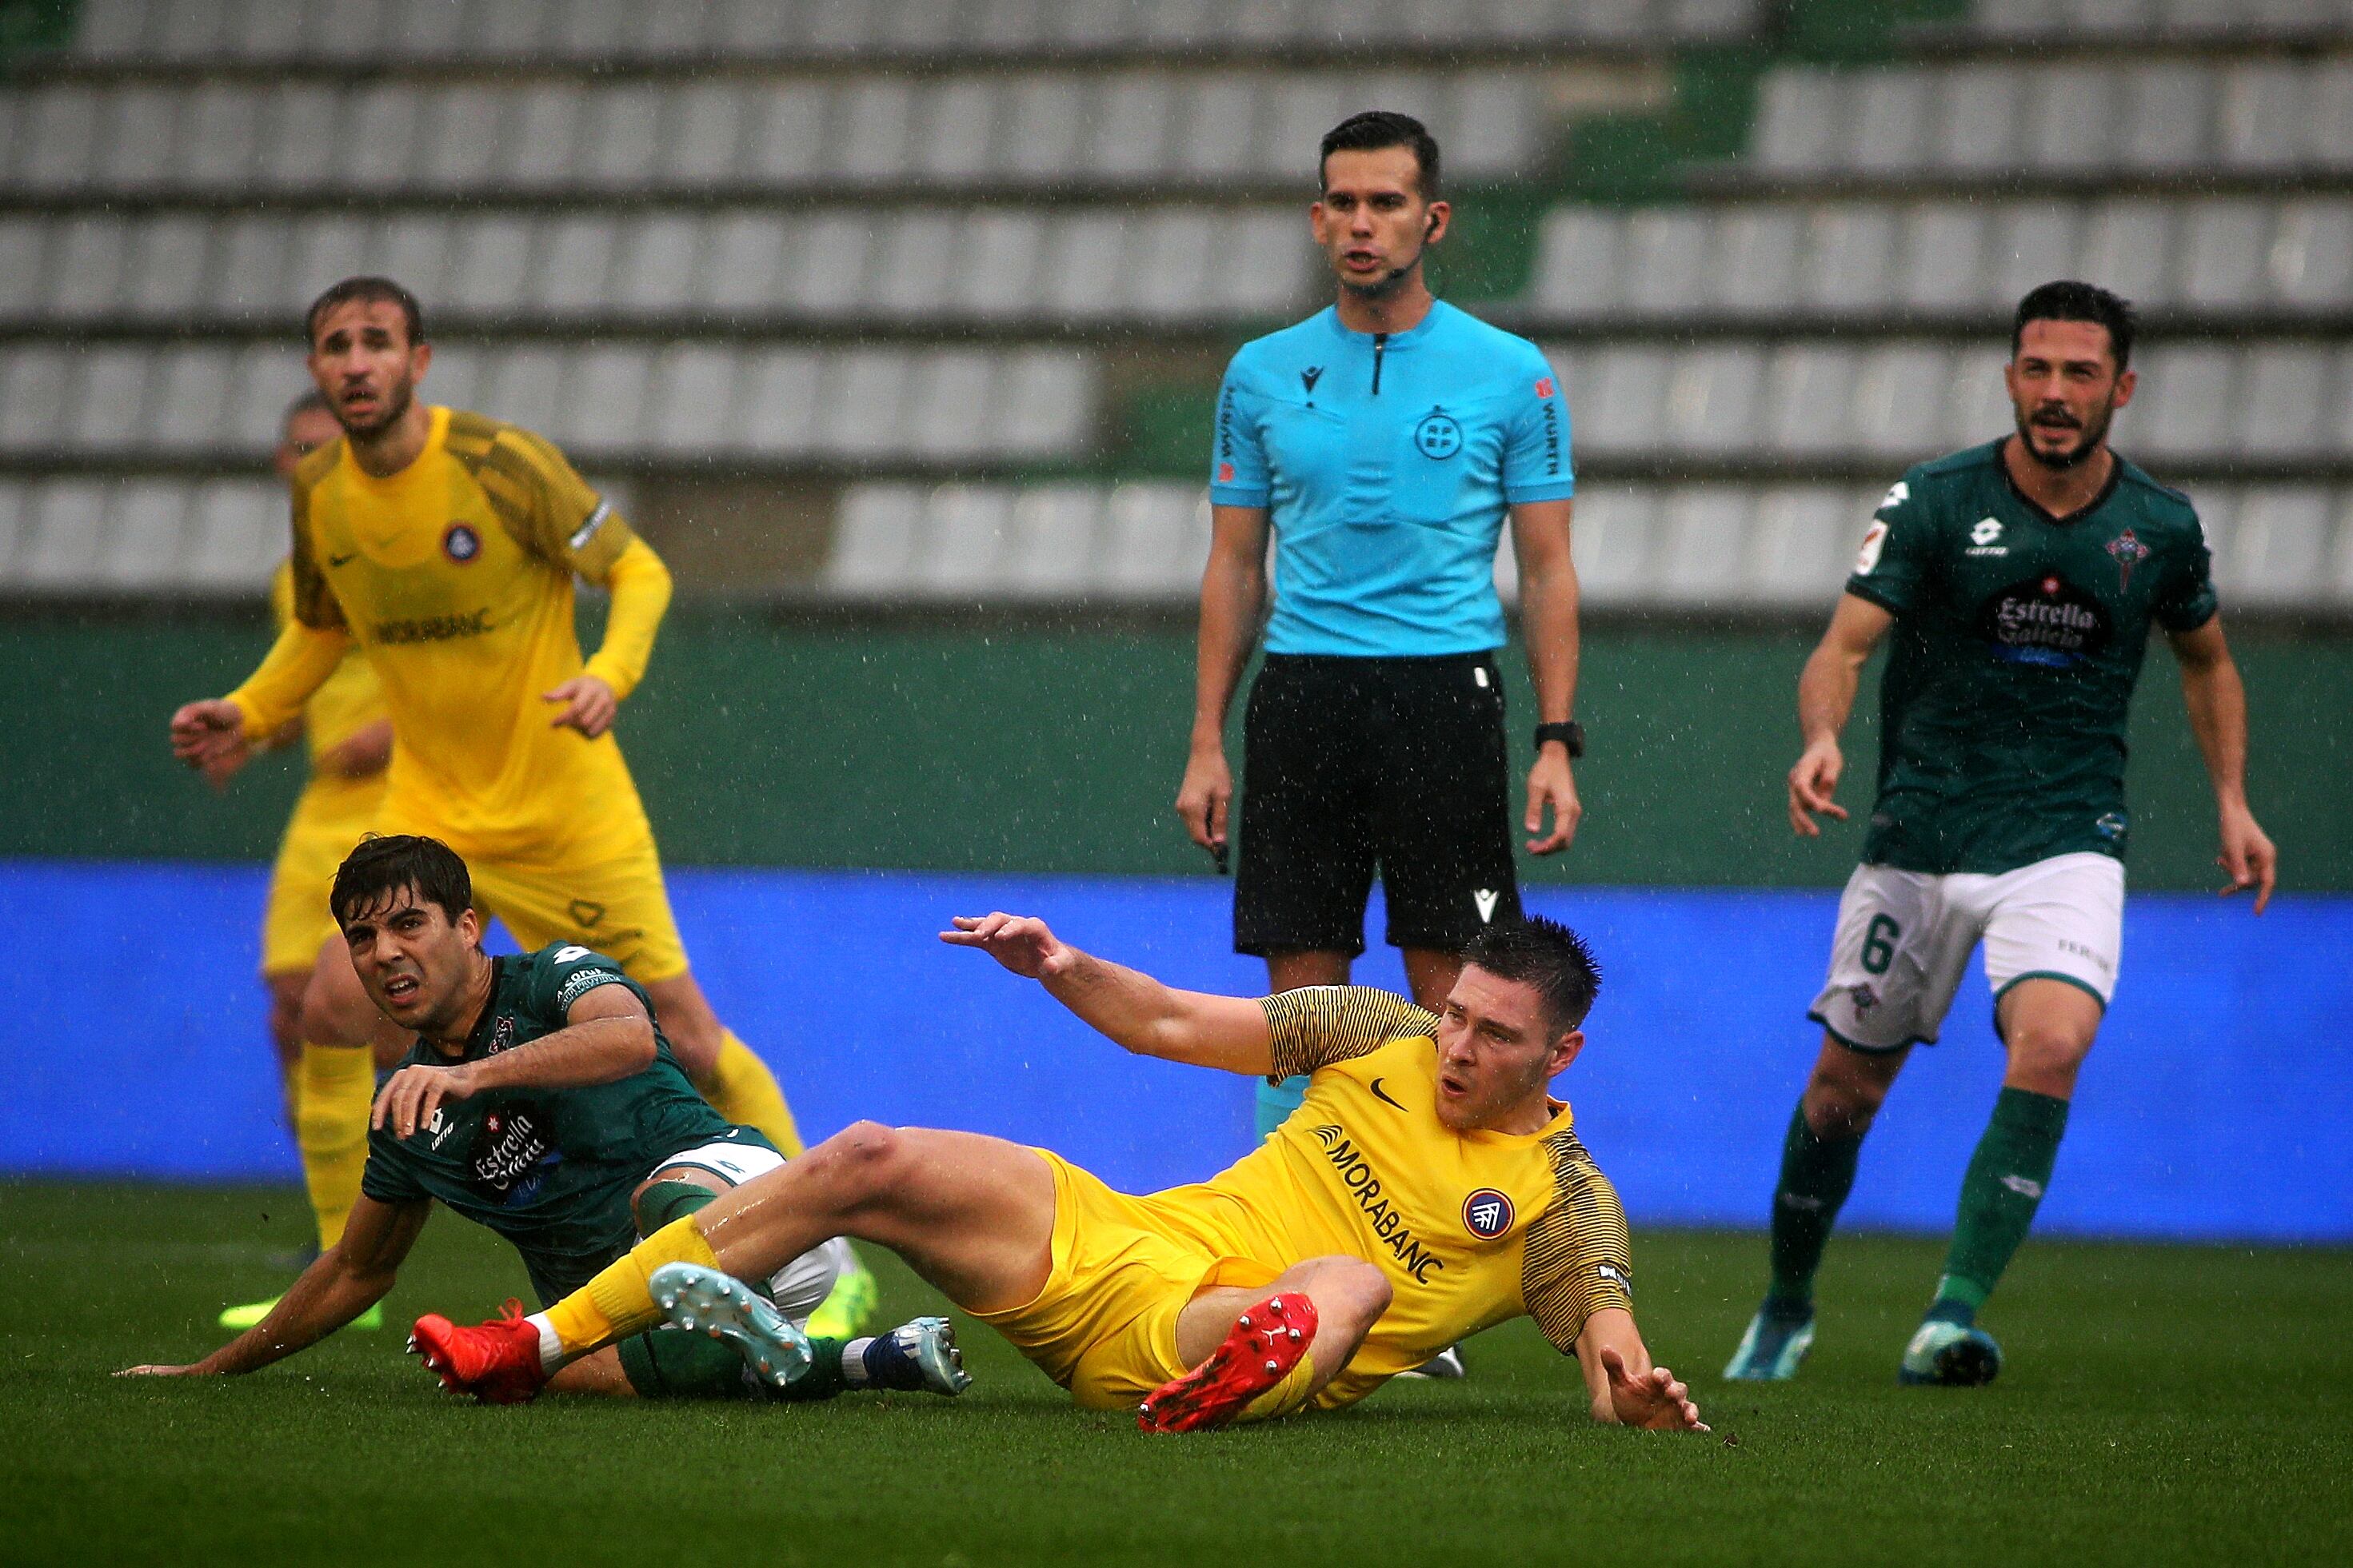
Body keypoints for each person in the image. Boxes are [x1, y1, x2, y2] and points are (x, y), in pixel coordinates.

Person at [167, 277, 876, 1340]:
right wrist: (252, 711)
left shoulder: (501, 464)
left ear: (419, 359)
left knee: (680, 1033)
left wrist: (611, 675)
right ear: (314, 368)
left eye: (376, 342)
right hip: (433, 813)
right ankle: (335, 1271)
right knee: (327, 1007)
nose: (356, 362)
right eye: (334, 346)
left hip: (561, 802)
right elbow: (323, 627)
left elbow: (637, 571)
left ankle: (829, 1254)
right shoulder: (322, 493)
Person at [405, 911, 1707, 1436]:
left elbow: (1604, 1336)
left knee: (1349, 1286)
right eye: (1458, 1013)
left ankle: (1224, 1390)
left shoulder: (1564, 1196)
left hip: (1203, 1332)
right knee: (864, 1155)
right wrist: (1060, 965)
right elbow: (1167, 1022)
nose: (1458, 1045)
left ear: (1562, 1050)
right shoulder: (1379, 1030)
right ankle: (533, 1337)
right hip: (1111, 1240)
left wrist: (1630, 1388)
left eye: (1493, 1034)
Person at [1724, 281, 2278, 1388]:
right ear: (2010, 377)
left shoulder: (2157, 527)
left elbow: (2206, 659)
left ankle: (1949, 1317)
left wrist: (2231, 799)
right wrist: (1820, 736)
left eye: (2080, 374)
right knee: (1843, 1091)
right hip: (1918, 834)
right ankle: (1785, 1304)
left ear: (2119, 389)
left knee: (2054, 1042)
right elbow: (1842, 645)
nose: (2056, 395)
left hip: (2066, 833)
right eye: (2037, 370)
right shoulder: (1935, 501)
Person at [119, 835, 965, 1404]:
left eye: (408, 922)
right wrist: (210, 1370)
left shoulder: (554, 974)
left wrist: (474, 1074)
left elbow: (628, 1036)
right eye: (362, 936)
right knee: (545, 1364)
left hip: (754, 1215)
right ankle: (860, 1359)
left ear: (467, 925)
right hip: (626, 1321)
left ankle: (721, 1320)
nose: (383, 953)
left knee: (655, 1212)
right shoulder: (404, 1116)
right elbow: (356, 1269)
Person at [1174, 111, 1584, 1152]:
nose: (1363, 224)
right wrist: (1204, 741)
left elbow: (1545, 569)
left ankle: (1435, 1268)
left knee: (1459, 1007)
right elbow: (1232, 565)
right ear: (1318, 220)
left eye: (1386, 202)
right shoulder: (1259, 373)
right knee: (1298, 1014)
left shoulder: (1510, 371)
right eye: (1344, 203)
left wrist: (1554, 739)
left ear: (1431, 219)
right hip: (1304, 696)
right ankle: (1290, 1251)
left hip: (1444, 697)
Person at [201, 389, 397, 1332]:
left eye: (333, 446)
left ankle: (380, 1214)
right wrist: (256, 728)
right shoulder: (302, 569)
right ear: (286, 465)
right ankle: (337, 1225)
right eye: (304, 449)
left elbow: (477, 662)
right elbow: (308, 679)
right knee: (292, 1006)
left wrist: (393, 732)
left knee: (364, 1002)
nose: (319, 462)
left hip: (409, 795)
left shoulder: (397, 540)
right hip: (324, 801)